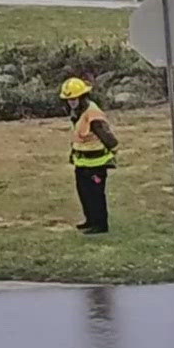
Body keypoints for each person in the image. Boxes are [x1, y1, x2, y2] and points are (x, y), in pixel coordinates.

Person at [61, 77, 119, 234]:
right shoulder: (77, 111)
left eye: (73, 99)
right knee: (84, 192)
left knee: (95, 194)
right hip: (82, 161)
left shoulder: (92, 113)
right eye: (68, 99)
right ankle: (90, 220)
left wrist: (113, 150)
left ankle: (100, 225)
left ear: (82, 97)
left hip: (96, 163)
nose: (71, 102)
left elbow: (107, 136)